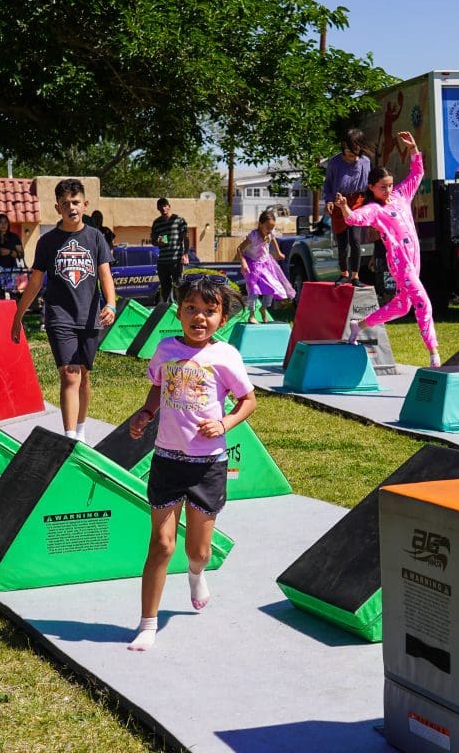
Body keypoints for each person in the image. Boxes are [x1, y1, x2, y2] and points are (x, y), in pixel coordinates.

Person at [126, 273, 257, 651]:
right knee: (162, 545)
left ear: (223, 317)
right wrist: (146, 414)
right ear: (179, 311)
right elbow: (156, 387)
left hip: (207, 465)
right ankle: (147, 623)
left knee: (197, 550)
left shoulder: (226, 356)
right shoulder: (165, 349)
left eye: (209, 311)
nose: (199, 317)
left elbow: (248, 400)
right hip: (167, 460)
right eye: (191, 309)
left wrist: (226, 422)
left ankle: (197, 574)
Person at [11, 178, 117, 442]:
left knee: (84, 376)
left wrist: (111, 304)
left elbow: (105, 275)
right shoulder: (47, 242)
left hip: (90, 317)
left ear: (85, 205)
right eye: (65, 203)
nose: (72, 207)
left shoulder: (96, 238)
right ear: (57, 208)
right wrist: (18, 316)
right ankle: (70, 438)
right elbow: (35, 282)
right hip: (60, 316)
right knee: (70, 374)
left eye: (76, 202)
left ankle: (81, 430)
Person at [334, 131, 441, 367]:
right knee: (423, 303)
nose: (388, 190)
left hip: (415, 261)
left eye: (390, 185)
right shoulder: (375, 210)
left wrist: (413, 149)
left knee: (403, 306)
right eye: (383, 187)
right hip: (400, 264)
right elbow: (354, 219)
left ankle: (358, 326)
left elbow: (417, 173)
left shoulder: (401, 196)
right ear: (371, 187)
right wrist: (344, 208)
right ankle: (433, 352)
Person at [323, 129, 371, 287]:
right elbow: (328, 184)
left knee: (355, 240)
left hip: (357, 200)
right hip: (339, 200)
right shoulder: (335, 162)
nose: (351, 153)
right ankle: (344, 274)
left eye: (355, 149)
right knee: (342, 242)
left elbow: (368, 185)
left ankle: (355, 276)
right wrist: (329, 200)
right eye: (348, 149)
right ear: (343, 146)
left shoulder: (365, 161)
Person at [237, 210, 295, 323]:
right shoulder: (253, 236)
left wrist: (278, 252)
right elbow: (239, 249)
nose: (269, 230)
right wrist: (243, 262)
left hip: (265, 263)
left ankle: (263, 308)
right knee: (254, 290)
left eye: (271, 227)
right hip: (252, 264)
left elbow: (273, 239)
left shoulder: (270, 233)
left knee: (271, 287)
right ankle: (252, 315)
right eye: (267, 227)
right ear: (260, 224)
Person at [150, 198, 189, 304]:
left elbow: (185, 237)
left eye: (165, 206)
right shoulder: (157, 223)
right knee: (165, 288)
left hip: (176, 259)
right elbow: (153, 240)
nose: (163, 208)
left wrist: (185, 254)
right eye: (161, 206)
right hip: (163, 260)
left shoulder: (179, 220)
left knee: (178, 286)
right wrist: (158, 241)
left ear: (169, 206)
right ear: (158, 208)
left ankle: (181, 310)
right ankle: (167, 311)